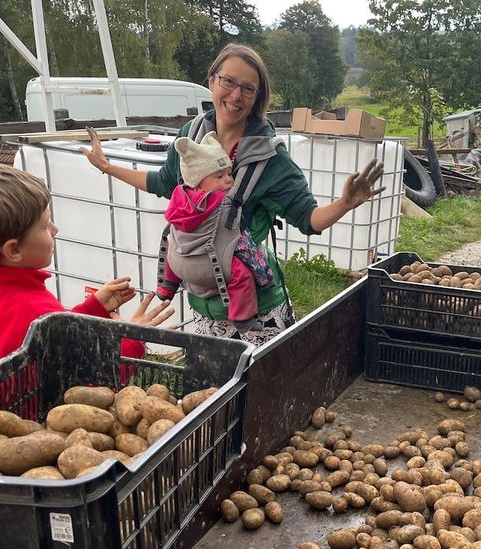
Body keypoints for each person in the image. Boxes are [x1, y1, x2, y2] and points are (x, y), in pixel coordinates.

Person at [81, 43, 384, 346]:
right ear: (212, 81)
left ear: (257, 98)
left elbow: (309, 218)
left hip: (259, 313)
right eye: (228, 81)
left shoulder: (271, 158)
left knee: (264, 376)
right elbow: (162, 182)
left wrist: (345, 203)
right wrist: (107, 166)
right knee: (216, 376)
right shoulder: (191, 137)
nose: (236, 95)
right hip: (204, 307)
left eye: (248, 89)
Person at [0, 163, 174, 370]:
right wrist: (133, 339)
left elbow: (56, 339)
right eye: (45, 225)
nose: (55, 229)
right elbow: (92, 372)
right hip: (49, 409)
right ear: (13, 250)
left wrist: (93, 309)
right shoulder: (35, 308)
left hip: (6, 405)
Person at [159, 131, 273, 334]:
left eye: (229, 173)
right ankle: (242, 318)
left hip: (180, 265)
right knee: (242, 274)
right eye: (219, 176)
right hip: (211, 266)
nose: (228, 180)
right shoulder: (221, 200)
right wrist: (262, 271)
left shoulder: (179, 196)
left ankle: (167, 286)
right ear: (198, 181)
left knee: (172, 243)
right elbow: (241, 241)